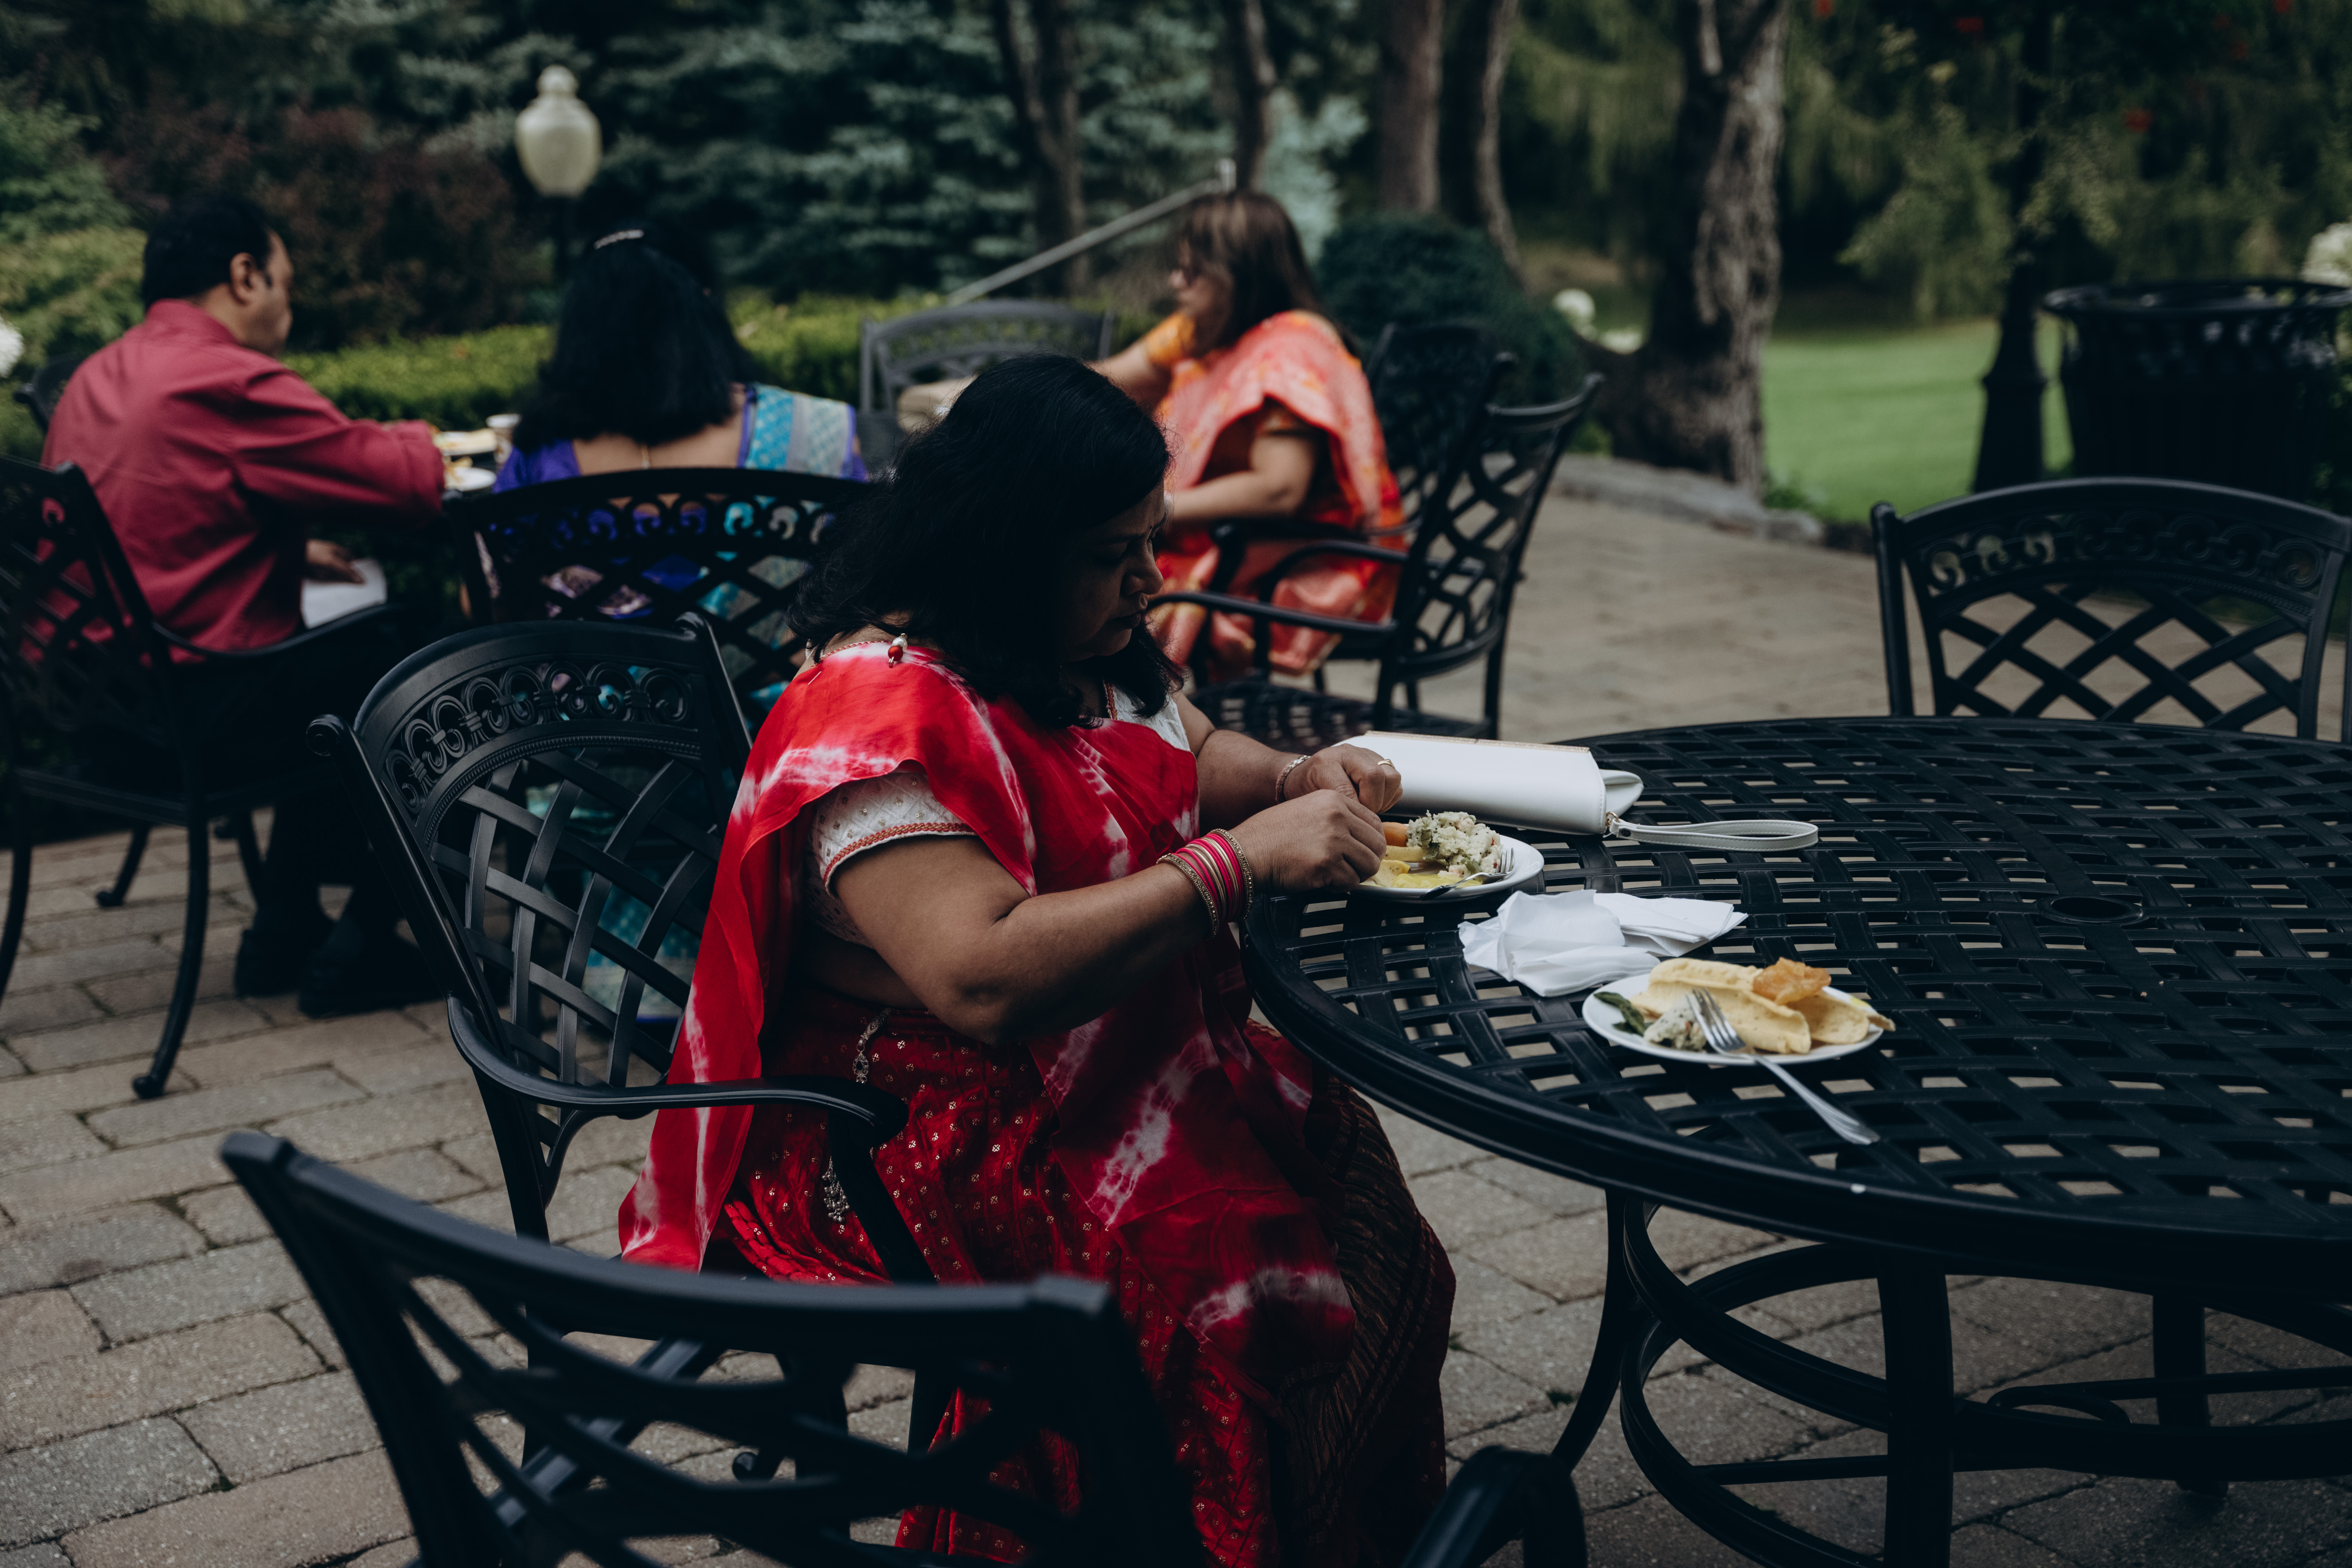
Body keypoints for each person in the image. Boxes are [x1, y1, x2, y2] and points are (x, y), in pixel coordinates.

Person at [620, 355, 1452, 1568]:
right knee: (1208, 1294)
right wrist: (1235, 864)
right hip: (902, 1115)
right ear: (1003, 548)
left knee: (1353, 1182)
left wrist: (1286, 776)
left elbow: (1184, 740)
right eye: (1113, 552)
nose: (1149, 579)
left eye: (1151, 539)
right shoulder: (875, 717)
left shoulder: (1063, 637)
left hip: (1101, 1051)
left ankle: (1324, 1524)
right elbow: (981, 977)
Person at [40, 193, 444, 1016]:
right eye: (286, 284)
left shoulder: (97, 374)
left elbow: (152, 516)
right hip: (194, 721)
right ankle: (364, 938)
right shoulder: (225, 378)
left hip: (98, 712)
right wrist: (426, 438)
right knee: (419, 664)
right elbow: (406, 484)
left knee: (321, 665)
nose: (289, 306)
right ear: (245, 275)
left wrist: (293, 549)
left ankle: (285, 924)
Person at [1094, 192, 1402, 682]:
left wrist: (1152, 511)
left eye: (1192, 272)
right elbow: (1108, 378)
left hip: (1295, 566)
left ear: (1235, 276)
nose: (1176, 282)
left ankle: (1116, 720)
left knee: (1083, 586)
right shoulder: (1206, 333)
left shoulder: (1288, 352)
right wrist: (982, 391)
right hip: (1224, 542)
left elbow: (1278, 489)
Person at [495, 221, 864, 489]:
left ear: (578, 333)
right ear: (705, 311)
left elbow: (492, 573)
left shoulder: (537, 455)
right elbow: (863, 562)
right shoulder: (815, 435)